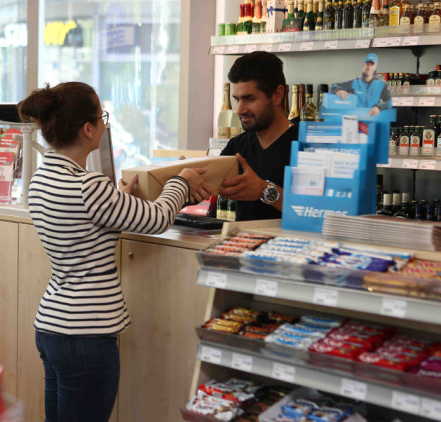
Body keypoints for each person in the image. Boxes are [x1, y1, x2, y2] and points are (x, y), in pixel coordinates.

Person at [18, 82, 211, 422]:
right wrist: (182, 181)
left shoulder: (42, 178)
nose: (105, 124)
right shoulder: (89, 186)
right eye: (102, 117)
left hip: (51, 326)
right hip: (86, 334)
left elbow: (87, 223)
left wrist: (119, 196)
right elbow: (158, 218)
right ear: (88, 128)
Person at [219, 51, 298, 221]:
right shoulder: (236, 147)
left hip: (293, 246)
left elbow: (320, 213)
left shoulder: (307, 146)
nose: (240, 109)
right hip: (242, 245)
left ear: (277, 95)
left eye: (249, 99)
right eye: (237, 99)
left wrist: (264, 190)